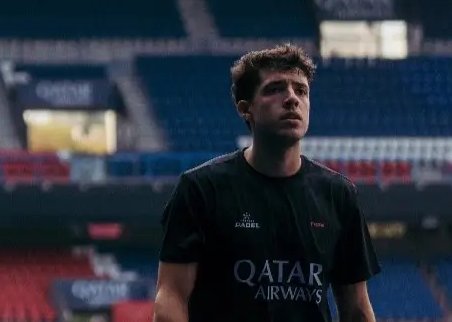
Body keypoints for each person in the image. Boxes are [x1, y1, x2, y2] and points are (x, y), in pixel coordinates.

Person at [154, 44, 381, 322]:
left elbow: (357, 308)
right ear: (245, 109)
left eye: (301, 90)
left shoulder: (338, 195)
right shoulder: (201, 189)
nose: (292, 99)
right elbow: (171, 296)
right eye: (275, 89)